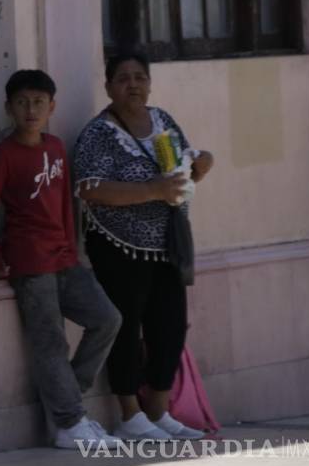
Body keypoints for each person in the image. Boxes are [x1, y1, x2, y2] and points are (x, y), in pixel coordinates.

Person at [0, 70, 123, 450]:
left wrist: (74, 249)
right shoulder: (3, 154)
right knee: (50, 343)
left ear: (51, 107)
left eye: (39, 102)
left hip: (65, 259)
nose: (31, 109)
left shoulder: (56, 147)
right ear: (9, 107)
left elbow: (66, 205)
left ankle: (67, 402)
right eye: (22, 102)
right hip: (28, 262)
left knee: (108, 319)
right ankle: (70, 421)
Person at [73, 52, 215, 442]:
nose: (132, 84)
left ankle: (158, 410)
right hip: (118, 247)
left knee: (170, 325)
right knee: (126, 327)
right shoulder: (99, 133)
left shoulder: (163, 121)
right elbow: (89, 188)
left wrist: (202, 162)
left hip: (167, 243)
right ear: (108, 87)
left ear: (150, 83)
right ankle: (129, 414)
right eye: (123, 78)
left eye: (139, 77)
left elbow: (183, 165)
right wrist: (151, 190)